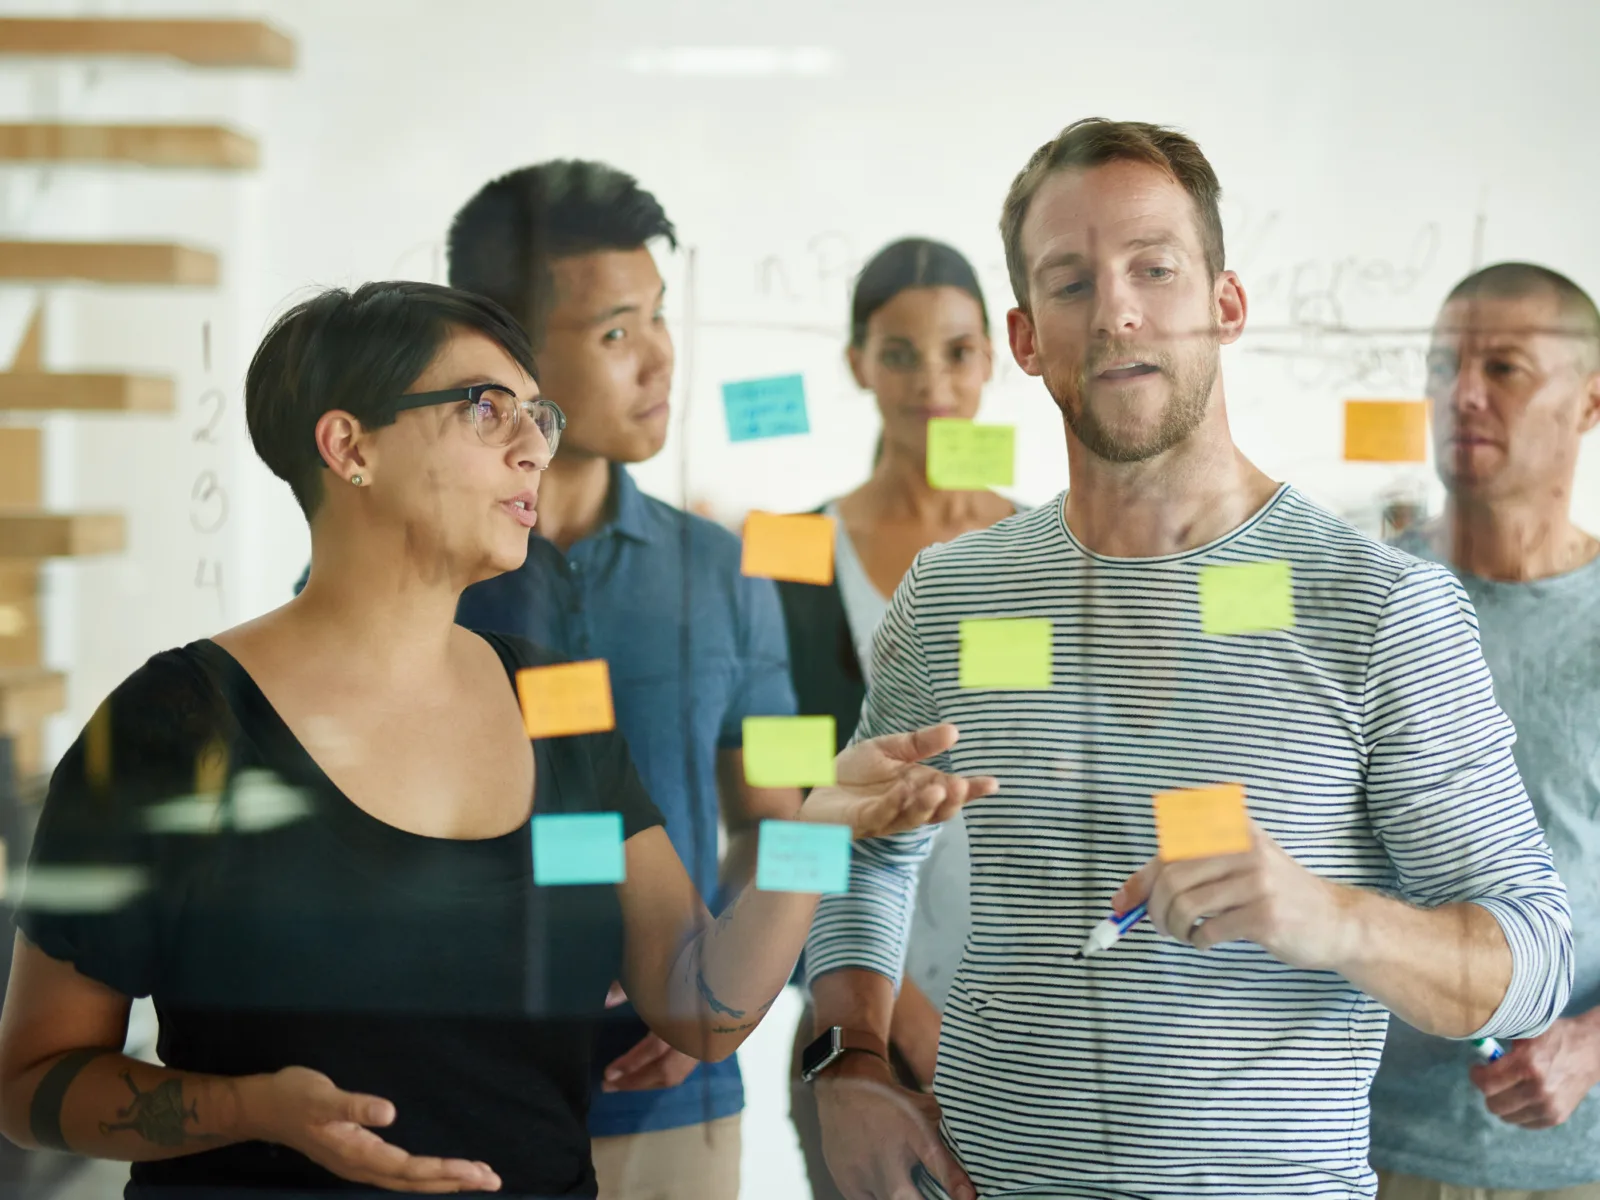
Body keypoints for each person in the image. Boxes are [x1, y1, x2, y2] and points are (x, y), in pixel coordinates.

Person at [0, 280, 998, 1199]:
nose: (534, 446)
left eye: (539, 414)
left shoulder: (551, 697)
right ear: (350, 447)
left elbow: (698, 1004)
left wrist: (814, 828)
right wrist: (249, 1111)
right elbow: (32, 1079)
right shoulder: (171, 727)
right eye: (487, 408)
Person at [799, 118, 1575, 1200]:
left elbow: (1531, 962)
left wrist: (1329, 916)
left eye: (1153, 269)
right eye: (1069, 281)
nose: (1115, 308)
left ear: (1225, 305)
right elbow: (851, 847)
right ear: (1025, 338)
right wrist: (848, 1059)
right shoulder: (952, 593)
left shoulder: (1380, 606)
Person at [444, 159, 802, 1200]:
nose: (658, 358)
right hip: (451, 1103)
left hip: (672, 1110)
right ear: (503, 357)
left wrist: (716, 1002)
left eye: (657, 316)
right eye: (614, 332)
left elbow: (780, 817)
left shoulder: (730, 574)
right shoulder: (411, 574)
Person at [778, 237, 1015, 1200]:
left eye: (958, 351)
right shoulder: (792, 551)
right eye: (900, 353)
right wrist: (890, 1015)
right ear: (857, 364)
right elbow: (784, 805)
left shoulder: (1050, 547)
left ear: (993, 360)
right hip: (859, 1026)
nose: (933, 382)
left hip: (1027, 1018)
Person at [1367, 263, 1600, 1200]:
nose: (1460, 393)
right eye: (1440, 366)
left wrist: (1588, 1046)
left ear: (1590, 402)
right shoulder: (1352, 600)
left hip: (1571, 1161)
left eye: (1504, 368)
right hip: (1359, 1149)